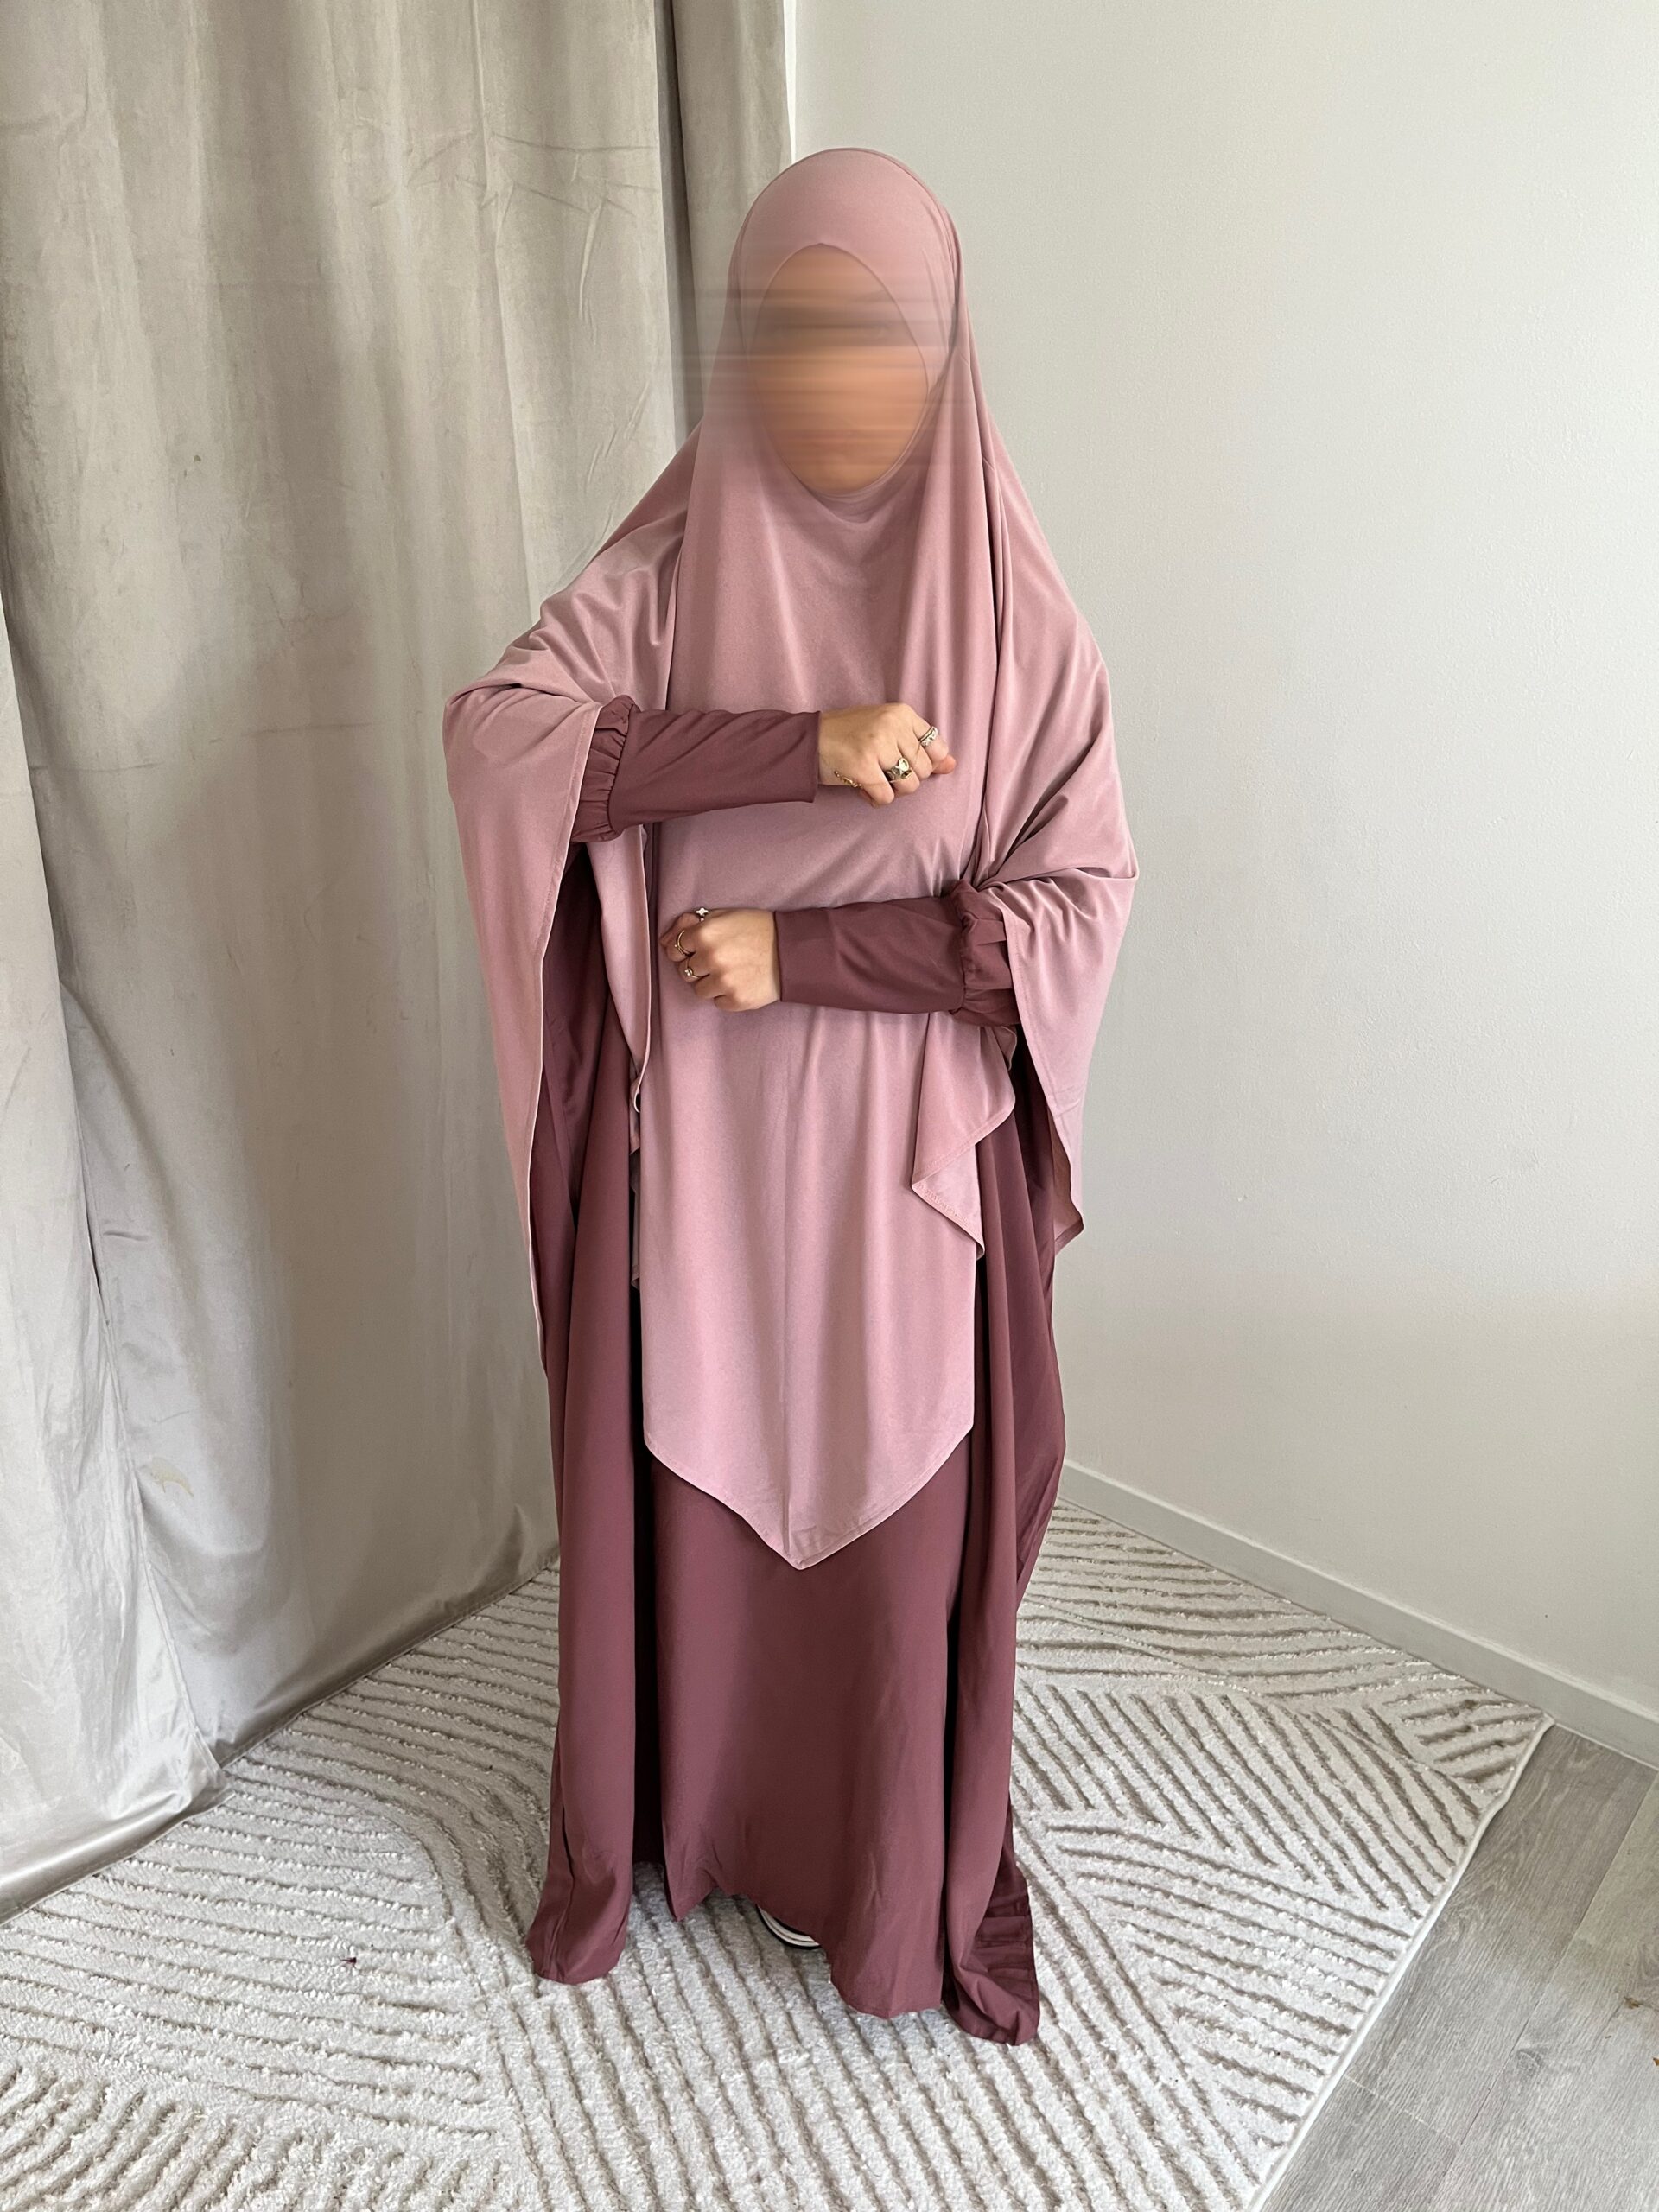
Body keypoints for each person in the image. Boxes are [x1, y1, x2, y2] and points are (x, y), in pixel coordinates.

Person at [442, 145, 1137, 2044]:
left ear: (946, 347)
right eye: (786, 330)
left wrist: (806, 950)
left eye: (874, 332)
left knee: (894, 1511)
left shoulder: (1017, 624)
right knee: (697, 1467)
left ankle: (881, 1886)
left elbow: (1075, 903)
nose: (830, 375)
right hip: (705, 1155)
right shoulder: (672, 575)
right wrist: (799, 748)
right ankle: (688, 1825)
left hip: (903, 1174)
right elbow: (501, 738)